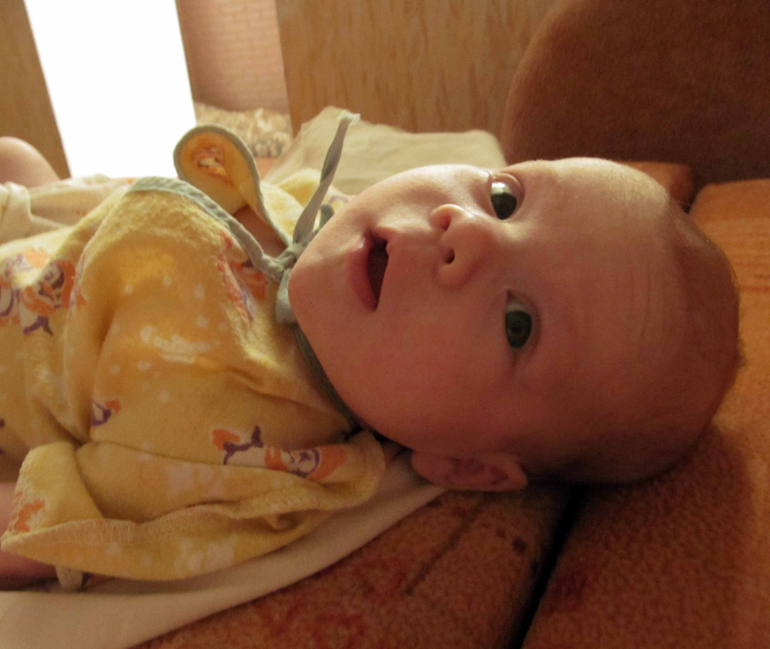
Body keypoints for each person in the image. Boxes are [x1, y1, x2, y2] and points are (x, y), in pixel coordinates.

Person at [0, 119, 740, 588]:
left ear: (469, 466)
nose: (469, 232)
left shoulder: (243, 448)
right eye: (504, 199)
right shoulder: (323, 225)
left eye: (519, 324)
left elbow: (50, 523)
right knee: (19, 155)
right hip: (56, 226)